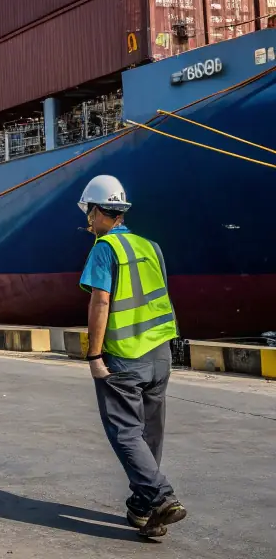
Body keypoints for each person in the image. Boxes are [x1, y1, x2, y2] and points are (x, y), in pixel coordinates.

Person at [78, 175, 186, 539]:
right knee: (149, 432)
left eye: (89, 214)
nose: (89, 222)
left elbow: (101, 301)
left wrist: (94, 354)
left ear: (98, 210)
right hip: (160, 353)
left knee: (124, 432)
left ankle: (160, 497)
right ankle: (144, 511)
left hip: (124, 355)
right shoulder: (151, 246)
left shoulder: (104, 249)